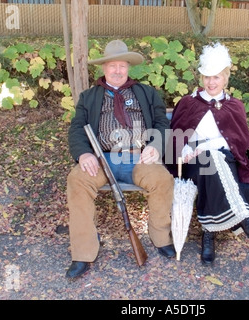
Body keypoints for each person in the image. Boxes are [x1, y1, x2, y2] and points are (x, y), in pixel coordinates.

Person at [66, 40, 175, 279]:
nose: (117, 70)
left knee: (163, 180)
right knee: (77, 181)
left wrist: (155, 147)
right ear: (104, 68)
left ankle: (160, 238)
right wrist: (84, 154)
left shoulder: (146, 93)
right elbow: (76, 128)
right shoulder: (89, 96)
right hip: (102, 159)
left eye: (122, 66)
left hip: (139, 157)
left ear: (128, 68)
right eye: (112, 65)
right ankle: (83, 252)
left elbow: (161, 123)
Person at [168, 42, 249, 265]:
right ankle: (243, 216)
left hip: (225, 160)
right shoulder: (189, 103)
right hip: (193, 163)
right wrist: (187, 149)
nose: (211, 82)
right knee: (208, 161)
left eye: (217, 77)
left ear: (225, 79)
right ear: (201, 78)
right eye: (207, 77)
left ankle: (209, 233)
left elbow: (241, 141)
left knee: (214, 159)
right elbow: (176, 137)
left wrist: (209, 146)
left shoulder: (235, 106)